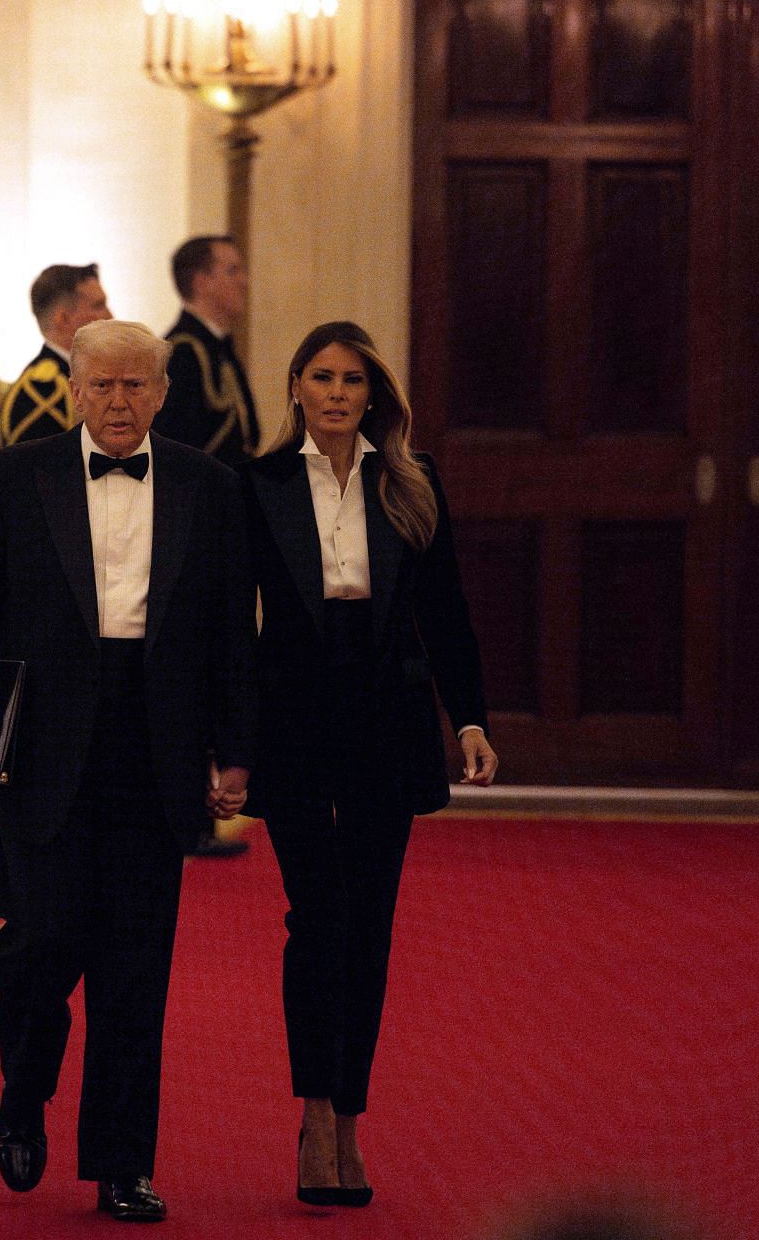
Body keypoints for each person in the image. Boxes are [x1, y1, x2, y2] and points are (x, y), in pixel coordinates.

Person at [0, 319, 255, 1223]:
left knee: (136, 964)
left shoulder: (209, 485)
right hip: (43, 744)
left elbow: (233, 631)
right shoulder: (12, 476)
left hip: (157, 742)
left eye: (137, 387)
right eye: (103, 387)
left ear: (162, 393)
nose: (120, 403)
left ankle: (122, 1162)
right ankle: (24, 1088)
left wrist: (235, 751)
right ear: (75, 390)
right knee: (39, 946)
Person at [238, 321, 496, 1206]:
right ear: (297, 388)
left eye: (354, 380)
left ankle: (352, 1117)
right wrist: (228, 745)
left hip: (387, 719)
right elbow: (233, 630)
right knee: (317, 920)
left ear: (374, 395)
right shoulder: (259, 482)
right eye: (322, 377)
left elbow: (448, 613)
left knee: (371, 927)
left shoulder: (411, 485)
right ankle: (313, 1116)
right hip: (295, 719)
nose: (339, 392)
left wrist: (469, 721)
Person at [159, 235, 260, 463]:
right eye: (233, 271)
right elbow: (178, 447)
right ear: (201, 281)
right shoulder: (182, 352)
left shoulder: (217, 346)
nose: (245, 281)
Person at [0, 263, 112, 446]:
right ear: (63, 318)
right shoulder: (44, 389)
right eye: (99, 306)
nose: (110, 315)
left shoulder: (84, 375)